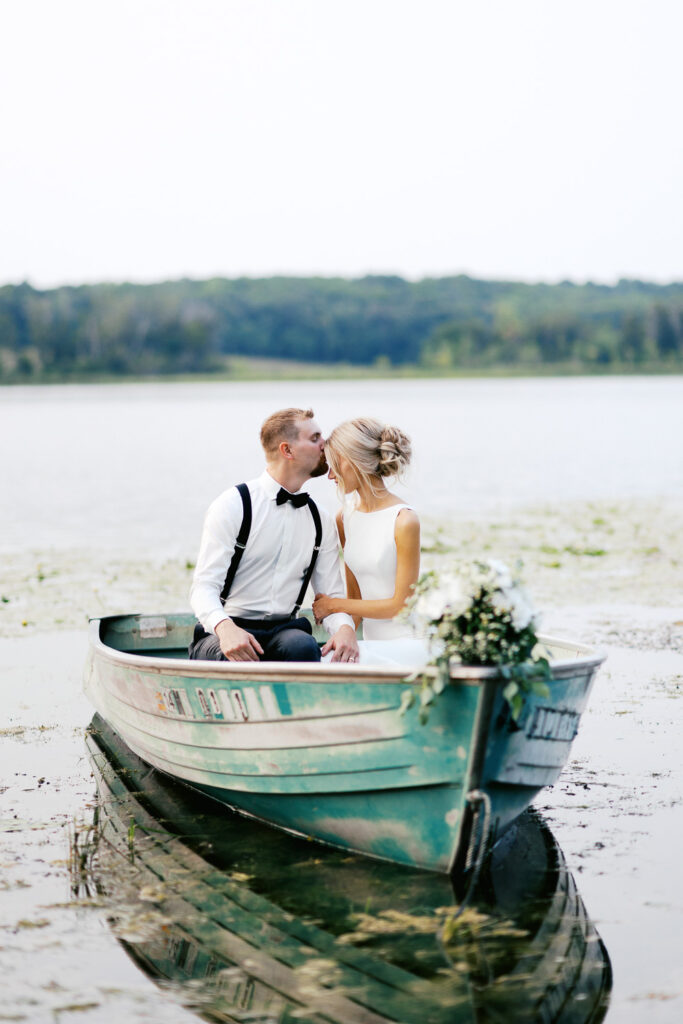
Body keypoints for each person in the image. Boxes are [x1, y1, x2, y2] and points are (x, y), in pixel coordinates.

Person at [189, 408, 359, 663]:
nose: (325, 444)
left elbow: (331, 596)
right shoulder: (234, 505)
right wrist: (224, 628)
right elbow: (203, 588)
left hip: (285, 631)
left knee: (303, 647)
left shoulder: (320, 519)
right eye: (314, 438)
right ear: (287, 450)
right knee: (229, 656)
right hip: (226, 628)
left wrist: (345, 628)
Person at [312, 417, 428, 667]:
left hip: (409, 642)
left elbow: (400, 605)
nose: (330, 475)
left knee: (330, 664)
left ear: (356, 461)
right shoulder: (345, 517)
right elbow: (355, 598)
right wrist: (345, 634)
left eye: (335, 464)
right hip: (373, 644)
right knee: (325, 658)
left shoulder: (404, 520)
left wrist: (333, 604)